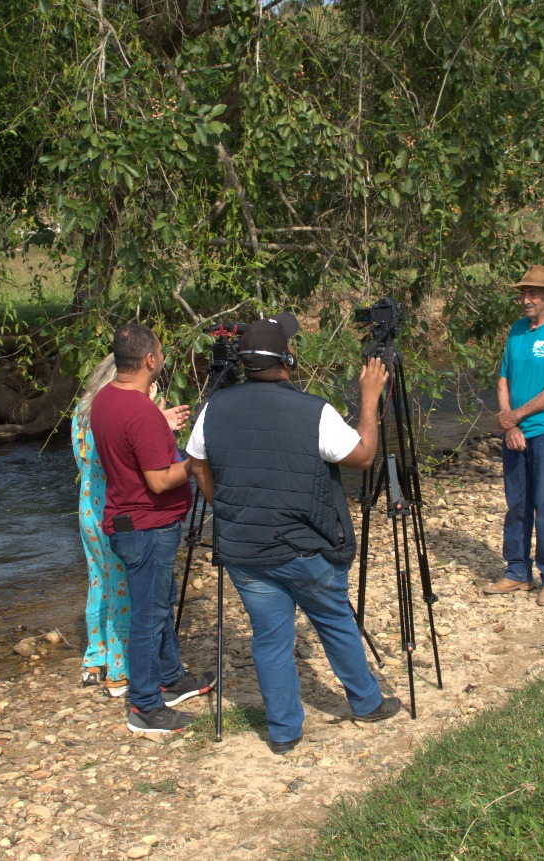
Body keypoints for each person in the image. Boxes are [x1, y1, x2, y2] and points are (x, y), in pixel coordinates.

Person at [185, 312, 402, 755]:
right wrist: (368, 397)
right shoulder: (314, 411)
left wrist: (222, 505)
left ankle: (284, 732)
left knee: (269, 639)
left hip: (246, 550)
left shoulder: (212, 409)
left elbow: (196, 464)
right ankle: (365, 702)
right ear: (287, 360)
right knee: (335, 621)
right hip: (307, 548)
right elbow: (362, 456)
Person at [89, 323, 215, 733]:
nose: (162, 358)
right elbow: (160, 480)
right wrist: (197, 461)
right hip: (147, 525)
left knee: (158, 601)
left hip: (129, 519)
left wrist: (159, 425)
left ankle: (171, 676)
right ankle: (145, 704)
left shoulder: (106, 399)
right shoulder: (140, 411)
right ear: (149, 360)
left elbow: (129, 448)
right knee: (148, 614)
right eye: (160, 352)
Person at [72, 355, 189, 701]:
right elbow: (124, 459)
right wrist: (153, 421)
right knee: (125, 589)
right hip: (114, 507)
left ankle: (95, 660)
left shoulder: (84, 412)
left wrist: (155, 419)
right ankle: (120, 671)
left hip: (87, 507)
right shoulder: (116, 412)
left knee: (99, 581)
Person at [485, 264, 544, 607]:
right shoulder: (517, 330)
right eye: (523, 293)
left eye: (533, 294)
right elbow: (503, 380)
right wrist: (509, 426)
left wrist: (518, 417)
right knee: (517, 505)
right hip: (515, 433)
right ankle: (517, 573)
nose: (526, 299)